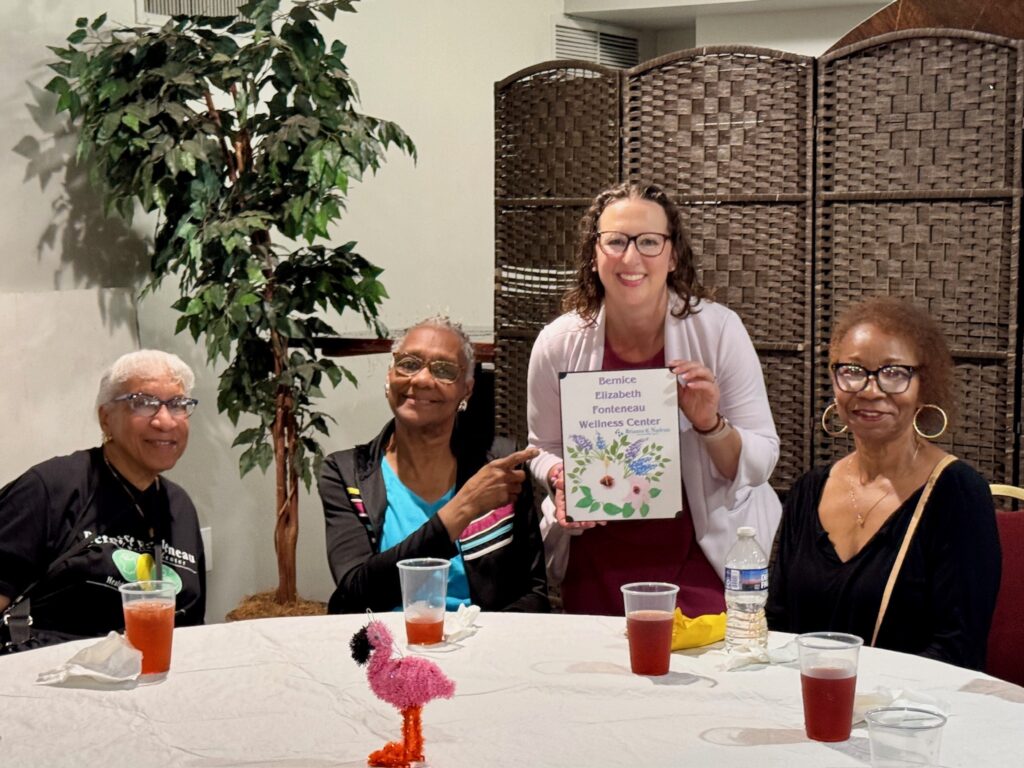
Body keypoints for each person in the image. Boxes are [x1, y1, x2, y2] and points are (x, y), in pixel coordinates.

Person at [527, 181, 782, 616]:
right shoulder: (558, 342)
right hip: (598, 555)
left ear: (672, 253)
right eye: (616, 241)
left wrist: (710, 425)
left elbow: (763, 460)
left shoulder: (718, 331)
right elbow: (541, 449)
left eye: (649, 241)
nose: (631, 257)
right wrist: (562, 478)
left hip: (702, 555)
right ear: (594, 253)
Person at [767, 297, 1000, 670]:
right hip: (806, 706)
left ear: (925, 384)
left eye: (894, 373)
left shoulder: (957, 494)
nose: (871, 390)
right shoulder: (809, 490)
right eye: (853, 371)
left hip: (908, 717)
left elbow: (958, 650)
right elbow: (777, 625)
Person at [320, 315, 549, 614]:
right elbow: (354, 594)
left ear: (466, 390)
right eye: (409, 363)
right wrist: (461, 509)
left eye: (443, 370)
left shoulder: (498, 467)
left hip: (481, 644)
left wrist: (483, 645)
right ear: (390, 375)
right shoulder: (347, 473)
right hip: (387, 650)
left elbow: (534, 593)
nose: (422, 379)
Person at [0, 350, 206, 651]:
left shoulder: (179, 506)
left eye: (178, 405)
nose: (165, 421)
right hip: (50, 680)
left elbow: (192, 627)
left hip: (156, 680)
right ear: (106, 418)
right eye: (144, 403)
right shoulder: (52, 488)